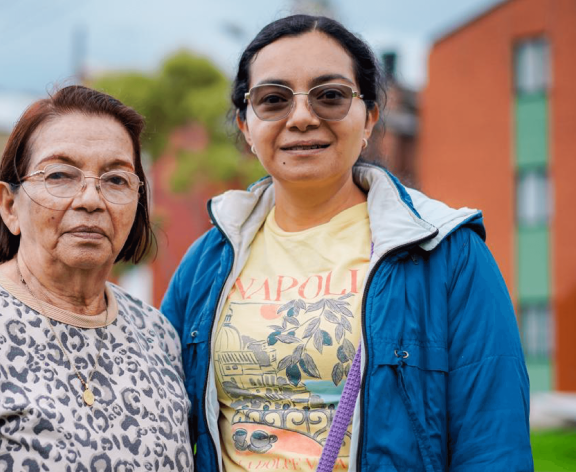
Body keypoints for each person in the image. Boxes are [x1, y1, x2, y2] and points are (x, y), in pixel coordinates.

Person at [161, 15, 533, 471]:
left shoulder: (448, 252)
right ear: (245, 125)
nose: (301, 117)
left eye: (330, 96)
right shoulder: (207, 262)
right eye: (273, 99)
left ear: (370, 117)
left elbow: (494, 448)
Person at [0, 86, 193, 471]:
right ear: (9, 205)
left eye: (116, 180)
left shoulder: (157, 335)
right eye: (60, 175)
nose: (91, 199)